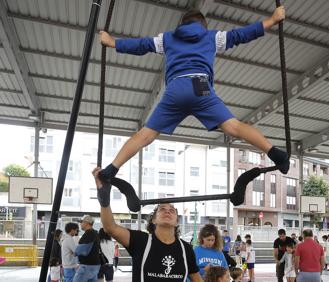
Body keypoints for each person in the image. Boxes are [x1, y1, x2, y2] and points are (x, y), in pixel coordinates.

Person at [97, 6, 290, 203]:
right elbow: (241, 35)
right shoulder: (212, 37)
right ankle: (275, 153)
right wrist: (272, 20)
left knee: (146, 135)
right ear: (203, 26)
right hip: (200, 85)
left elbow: (141, 45)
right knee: (233, 127)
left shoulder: (168, 38)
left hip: (175, 89)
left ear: (182, 25)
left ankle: (111, 169)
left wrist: (113, 42)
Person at [92, 167, 202, 282]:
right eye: (162, 209)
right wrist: (104, 199)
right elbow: (110, 227)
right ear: (153, 220)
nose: (167, 211)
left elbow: (197, 279)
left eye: (172, 210)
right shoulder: (140, 240)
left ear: (176, 222)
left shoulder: (186, 249)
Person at [73, 215, 101, 282]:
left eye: (81, 222)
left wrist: (75, 252)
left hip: (87, 266)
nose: (80, 224)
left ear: (86, 223)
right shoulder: (95, 233)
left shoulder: (88, 234)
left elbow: (82, 251)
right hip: (95, 265)